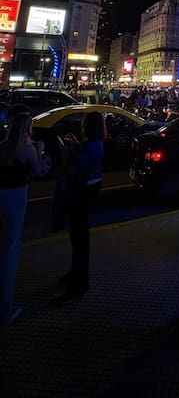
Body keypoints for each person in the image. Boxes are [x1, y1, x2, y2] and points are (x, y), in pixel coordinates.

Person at [0, 110, 50, 325]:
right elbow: (39, 172)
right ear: (27, 128)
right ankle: (5, 308)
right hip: (14, 198)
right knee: (10, 250)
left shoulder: (2, 147)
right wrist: (40, 153)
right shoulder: (27, 149)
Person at [55, 111, 105, 305]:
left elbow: (72, 167)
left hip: (83, 191)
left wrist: (65, 151)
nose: (82, 125)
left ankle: (79, 284)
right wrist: (74, 143)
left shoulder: (93, 145)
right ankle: (75, 273)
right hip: (85, 188)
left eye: (84, 123)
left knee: (80, 238)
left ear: (90, 126)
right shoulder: (92, 143)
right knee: (78, 237)